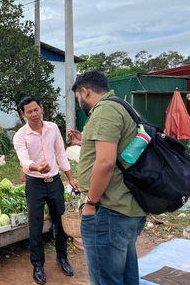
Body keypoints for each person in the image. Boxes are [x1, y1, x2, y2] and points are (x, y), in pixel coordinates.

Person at [69, 71, 147, 285]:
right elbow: (122, 148)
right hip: (128, 206)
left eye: (78, 97)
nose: (80, 102)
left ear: (84, 91)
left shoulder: (103, 110)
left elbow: (106, 163)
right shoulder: (123, 106)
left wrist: (91, 204)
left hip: (108, 210)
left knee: (106, 279)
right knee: (126, 273)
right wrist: (84, 140)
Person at [13, 95, 80, 285]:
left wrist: (71, 178)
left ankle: (62, 257)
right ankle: (38, 265)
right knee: (35, 225)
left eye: (36, 109)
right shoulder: (20, 136)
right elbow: (24, 161)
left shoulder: (53, 128)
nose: (34, 114)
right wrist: (36, 167)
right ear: (23, 114)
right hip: (34, 183)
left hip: (55, 182)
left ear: (41, 108)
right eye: (29, 111)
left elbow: (60, 153)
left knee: (61, 221)